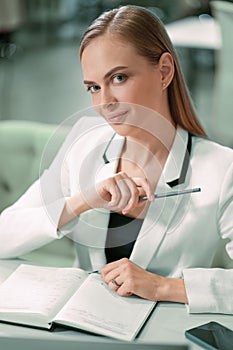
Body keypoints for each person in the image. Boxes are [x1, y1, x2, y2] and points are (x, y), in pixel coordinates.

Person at [0, 5, 233, 314]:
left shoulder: (222, 169)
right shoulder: (85, 147)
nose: (104, 103)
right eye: (94, 88)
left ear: (164, 71)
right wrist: (82, 201)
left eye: (119, 78)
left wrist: (162, 286)